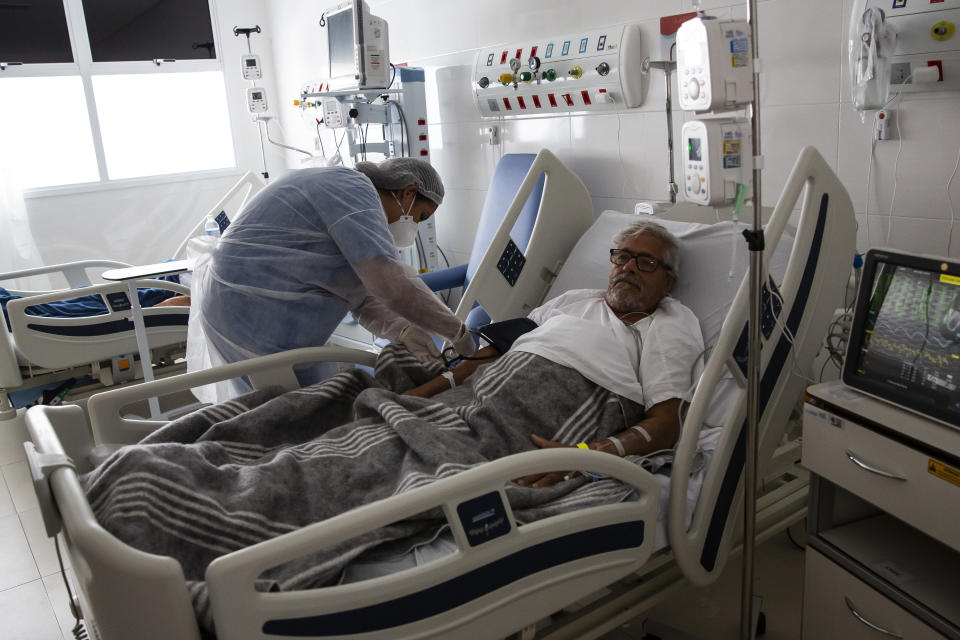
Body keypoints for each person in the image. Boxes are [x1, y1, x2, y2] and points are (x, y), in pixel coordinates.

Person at [403, 219, 704, 487]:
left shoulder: (669, 324)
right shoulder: (575, 300)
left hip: (548, 415)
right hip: (482, 395)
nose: (628, 267)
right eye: (622, 257)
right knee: (404, 432)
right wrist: (424, 392)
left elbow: (667, 423)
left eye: (646, 262)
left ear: (669, 282)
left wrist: (584, 456)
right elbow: (502, 348)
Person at [186, 159, 476, 402]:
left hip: (248, 311)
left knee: (305, 408)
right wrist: (457, 331)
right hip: (251, 316)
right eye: (420, 216)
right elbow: (389, 283)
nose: (413, 227)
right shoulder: (353, 190)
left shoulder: (352, 201)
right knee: (292, 415)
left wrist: (403, 330)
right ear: (408, 193)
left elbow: (363, 297)